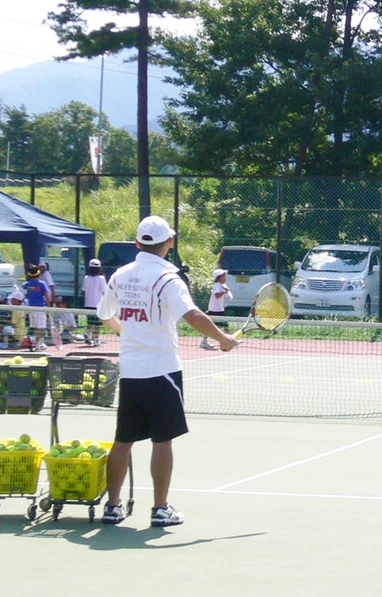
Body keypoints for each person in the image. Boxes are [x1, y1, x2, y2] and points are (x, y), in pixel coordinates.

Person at [97, 215, 237, 528]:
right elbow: (191, 314)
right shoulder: (168, 279)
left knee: (123, 440)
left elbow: (104, 314)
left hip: (131, 372)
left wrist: (130, 334)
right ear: (169, 243)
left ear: (136, 244)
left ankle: (113, 506)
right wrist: (223, 339)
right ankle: (160, 509)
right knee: (162, 442)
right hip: (162, 372)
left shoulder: (120, 275)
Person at [20, 264, 53, 351]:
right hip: (40, 308)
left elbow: (23, 288)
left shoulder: (26, 284)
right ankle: (37, 343)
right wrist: (49, 307)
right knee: (41, 328)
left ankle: (35, 342)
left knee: (34, 327)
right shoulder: (42, 284)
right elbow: (47, 296)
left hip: (31, 309)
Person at [200, 268, 232, 350]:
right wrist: (225, 291)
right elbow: (217, 295)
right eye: (223, 276)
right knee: (223, 325)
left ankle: (229, 340)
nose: (225, 278)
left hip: (218, 308)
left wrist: (226, 291)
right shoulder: (217, 285)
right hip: (215, 309)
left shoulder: (221, 285)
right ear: (218, 278)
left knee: (223, 325)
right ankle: (230, 341)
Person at [81, 258, 108, 346]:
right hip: (98, 304)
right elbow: (105, 291)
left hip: (88, 303)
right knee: (97, 324)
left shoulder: (86, 278)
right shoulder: (101, 278)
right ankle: (96, 340)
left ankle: (88, 333)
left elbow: (84, 289)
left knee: (90, 322)